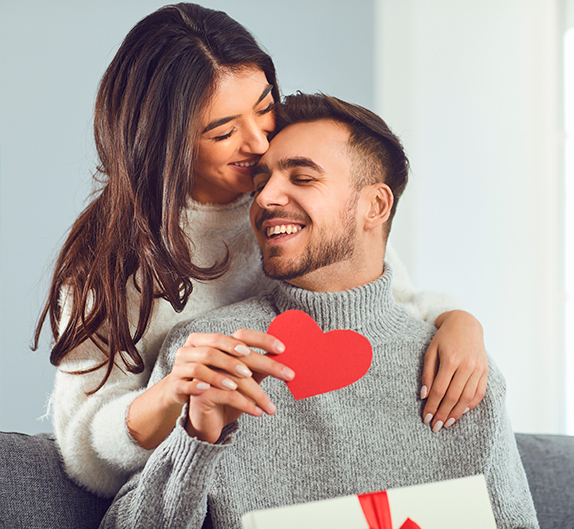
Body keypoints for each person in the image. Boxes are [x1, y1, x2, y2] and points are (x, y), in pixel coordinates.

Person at [34, 3, 489, 498]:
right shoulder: (114, 258)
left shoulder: (299, 205)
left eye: (265, 105)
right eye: (223, 131)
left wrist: (459, 321)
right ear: (165, 142)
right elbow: (84, 450)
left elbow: (386, 303)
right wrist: (173, 395)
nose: (259, 140)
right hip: (196, 483)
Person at [100, 93, 539, 529]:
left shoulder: (461, 369)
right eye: (260, 183)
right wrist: (197, 439)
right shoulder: (209, 355)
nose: (266, 197)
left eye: (303, 178)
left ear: (376, 206)